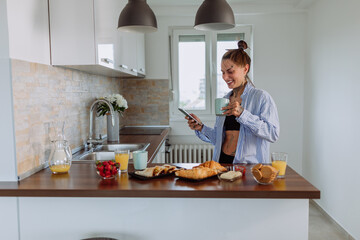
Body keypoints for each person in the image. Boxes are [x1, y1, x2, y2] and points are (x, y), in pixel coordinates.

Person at [186, 40, 279, 164]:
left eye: (230, 71)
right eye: (223, 73)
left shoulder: (261, 97)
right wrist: (201, 127)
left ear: (245, 69)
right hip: (221, 165)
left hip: (249, 170)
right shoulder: (225, 99)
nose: (225, 77)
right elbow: (219, 139)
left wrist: (243, 114)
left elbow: (272, 134)